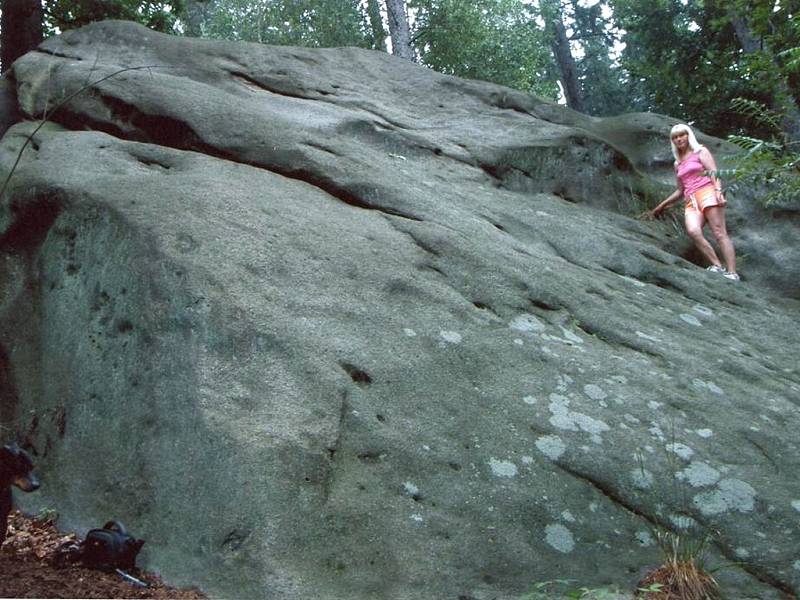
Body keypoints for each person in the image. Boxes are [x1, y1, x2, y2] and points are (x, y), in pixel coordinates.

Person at [650, 123, 739, 281]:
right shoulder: (677, 163)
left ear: (688, 135)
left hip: (707, 192)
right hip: (690, 199)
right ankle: (717, 266)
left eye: (681, 135)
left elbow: (714, 173)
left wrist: (718, 192)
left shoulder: (700, 151)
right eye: (675, 137)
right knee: (693, 231)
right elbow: (680, 189)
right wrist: (661, 206)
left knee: (719, 233)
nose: (679, 139)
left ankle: (732, 273)